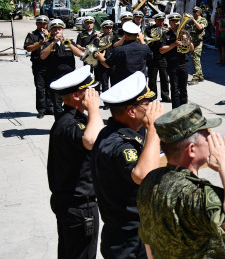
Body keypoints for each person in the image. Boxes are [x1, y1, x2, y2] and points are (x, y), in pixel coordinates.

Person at [137, 103, 225, 258]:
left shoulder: (150, 181)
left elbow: (149, 244)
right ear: (191, 149)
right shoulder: (195, 194)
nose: (211, 138)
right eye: (206, 134)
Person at [92, 71, 163, 258]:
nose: (151, 109)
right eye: (146, 105)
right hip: (128, 241)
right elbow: (143, 175)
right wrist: (154, 128)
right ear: (131, 111)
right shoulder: (117, 143)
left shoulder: (125, 132)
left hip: (135, 234)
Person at [48, 66, 104, 259]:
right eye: (90, 91)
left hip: (70, 202)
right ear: (77, 96)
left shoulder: (70, 119)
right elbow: (91, 141)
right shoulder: (72, 123)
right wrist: (95, 110)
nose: (95, 95)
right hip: (79, 206)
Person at [40, 19, 83, 116]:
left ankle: (70, 124)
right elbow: (42, 56)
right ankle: (59, 126)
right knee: (57, 105)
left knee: (72, 103)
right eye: (55, 29)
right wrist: (53, 43)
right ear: (51, 31)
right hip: (54, 77)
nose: (57, 31)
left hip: (69, 77)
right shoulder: (47, 43)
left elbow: (79, 54)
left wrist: (69, 44)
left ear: (63, 30)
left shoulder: (69, 42)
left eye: (59, 29)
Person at [160, 13, 193, 109]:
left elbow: (192, 48)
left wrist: (187, 41)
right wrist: (174, 44)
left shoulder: (185, 33)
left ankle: (185, 111)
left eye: (178, 21)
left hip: (184, 63)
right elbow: (162, 50)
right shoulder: (166, 35)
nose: (176, 23)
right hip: (172, 64)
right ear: (170, 23)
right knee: (175, 89)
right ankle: (175, 111)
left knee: (184, 89)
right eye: (174, 21)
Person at [23, 15, 52, 118]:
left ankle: (49, 107)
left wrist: (49, 36)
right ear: (36, 24)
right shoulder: (32, 35)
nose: (42, 25)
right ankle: (41, 110)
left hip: (50, 64)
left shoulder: (51, 34)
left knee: (50, 87)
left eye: (44, 23)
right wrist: (39, 44)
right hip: (38, 65)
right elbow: (28, 48)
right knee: (40, 88)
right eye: (40, 23)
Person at [144, 13, 170, 102]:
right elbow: (146, 41)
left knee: (164, 78)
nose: (161, 22)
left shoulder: (166, 30)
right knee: (152, 78)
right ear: (155, 20)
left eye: (162, 20)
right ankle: (152, 96)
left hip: (163, 57)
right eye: (159, 20)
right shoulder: (149, 29)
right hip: (152, 56)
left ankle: (165, 96)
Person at [189, 6, 208, 85]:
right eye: (193, 11)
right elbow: (184, 27)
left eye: (195, 11)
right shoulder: (192, 21)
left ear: (199, 12)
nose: (193, 13)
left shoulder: (203, 20)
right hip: (192, 41)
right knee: (194, 59)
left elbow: (200, 27)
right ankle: (200, 76)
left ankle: (196, 78)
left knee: (196, 58)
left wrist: (193, 20)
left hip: (199, 42)